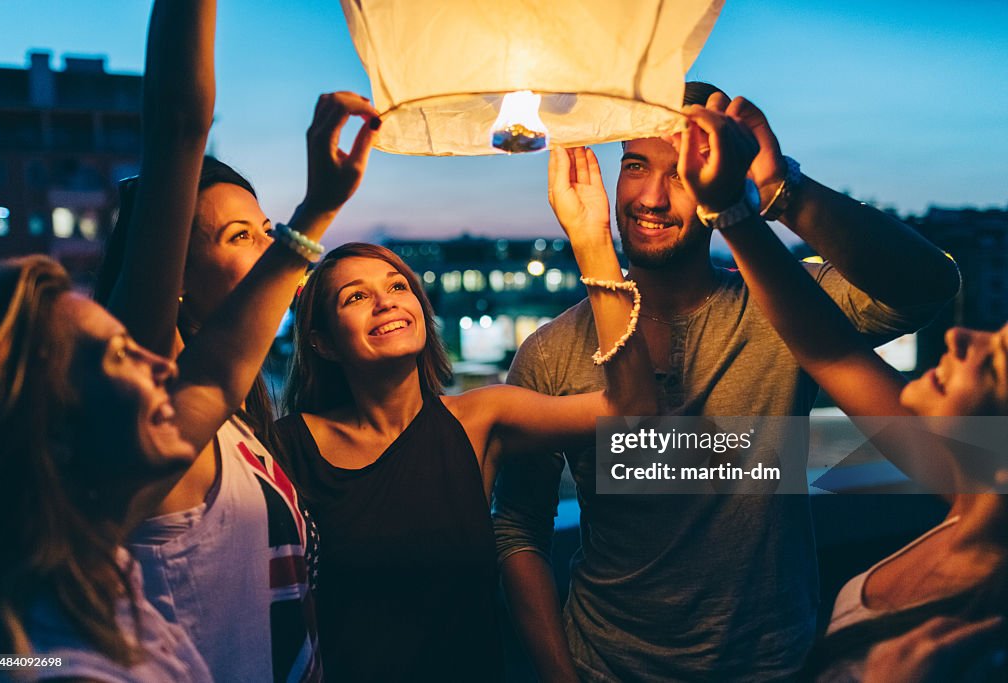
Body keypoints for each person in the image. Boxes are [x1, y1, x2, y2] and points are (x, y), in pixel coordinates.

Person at [492, 81, 962, 681]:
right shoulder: (551, 352)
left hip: (770, 666)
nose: (653, 198)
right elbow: (519, 525)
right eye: (635, 165)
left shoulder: (788, 302)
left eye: (682, 175)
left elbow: (928, 288)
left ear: (722, 184)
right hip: (605, 666)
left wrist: (782, 190)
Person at [273, 145, 658, 682]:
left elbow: (635, 413)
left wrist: (592, 242)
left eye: (398, 286)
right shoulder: (286, 449)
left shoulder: (481, 419)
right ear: (322, 343)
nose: (386, 302)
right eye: (355, 297)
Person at [91, 0, 379, 680]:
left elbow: (628, 428)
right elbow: (178, 129)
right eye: (238, 236)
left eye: (267, 228)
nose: (271, 248)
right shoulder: (157, 411)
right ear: (173, 278)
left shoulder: (240, 423)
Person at [677, 93, 1007, 681]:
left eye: (999, 362)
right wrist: (766, 195)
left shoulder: (982, 625)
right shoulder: (969, 500)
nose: (962, 339)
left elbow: (922, 288)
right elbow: (825, 348)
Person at [0, 231, 317, 675]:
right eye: (121, 354)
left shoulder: (96, 588)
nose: (162, 368)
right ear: (51, 427)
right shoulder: (69, 666)